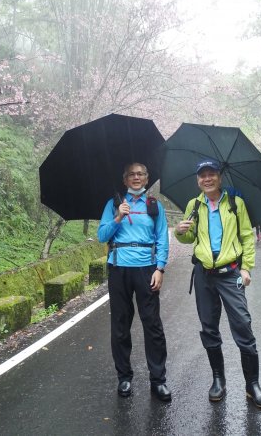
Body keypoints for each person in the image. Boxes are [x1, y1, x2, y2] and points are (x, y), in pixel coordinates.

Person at [174, 159, 261, 409]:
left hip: (230, 273)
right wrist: (180, 231)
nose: (207, 179)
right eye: (202, 175)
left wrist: (247, 268)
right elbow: (189, 239)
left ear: (219, 177)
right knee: (209, 327)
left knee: (242, 325)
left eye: (211, 174)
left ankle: (253, 385)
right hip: (203, 273)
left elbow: (247, 238)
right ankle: (218, 379)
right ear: (198, 180)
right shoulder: (193, 205)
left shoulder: (235, 203)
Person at [97, 162, 171, 401]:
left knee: (153, 325)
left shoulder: (154, 206)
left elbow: (162, 238)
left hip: (147, 269)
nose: (136, 177)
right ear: (125, 178)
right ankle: (124, 378)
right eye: (132, 174)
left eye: (140, 174)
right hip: (119, 267)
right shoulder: (113, 204)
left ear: (147, 179)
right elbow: (101, 236)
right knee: (120, 325)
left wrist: (160, 268)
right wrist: (118, 217)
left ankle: (158, 380)